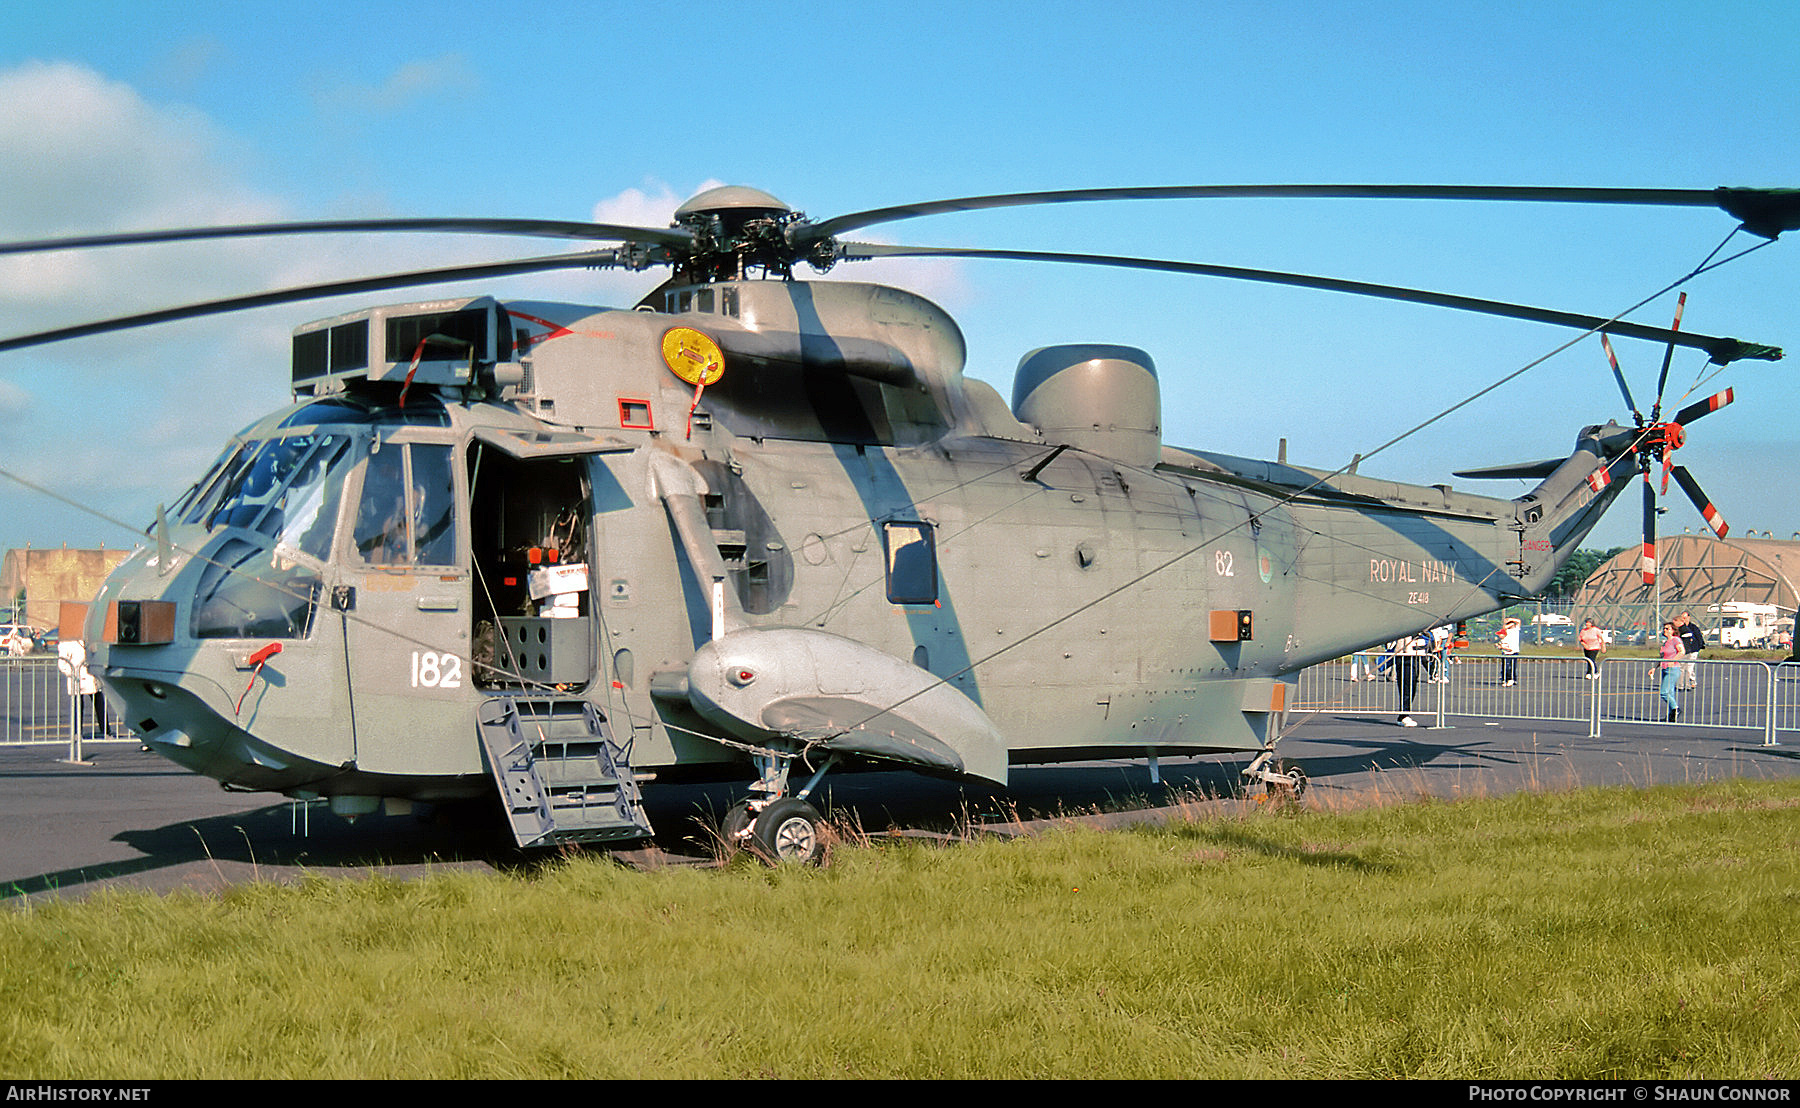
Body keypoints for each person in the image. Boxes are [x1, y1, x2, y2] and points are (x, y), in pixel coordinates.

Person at [1392, 631, 1429, 728]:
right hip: (1403, 654)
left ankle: (1404, 713)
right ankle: (1404, 715)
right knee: (1406, 685)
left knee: (1412, 686)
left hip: (1415, 654)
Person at [1659, 621, 1683, 722]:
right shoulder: (1665, 642)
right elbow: (1662, 657)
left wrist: (1673, 661)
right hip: (1665, 668)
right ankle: (1671, 716)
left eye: (1667, 629)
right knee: (1670, 693)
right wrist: (1654, 668)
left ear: (1673, 630)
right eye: (1664, 628)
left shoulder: (1675, 640)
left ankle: (1675, 709)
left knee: (1664, 692)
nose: (1665, 630)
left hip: (1673, 669)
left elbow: (1682, 651)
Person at [1674, 612, 1706, 690]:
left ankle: (1690, 682)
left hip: (1693, 650)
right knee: (1685, 668)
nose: (1684, 619)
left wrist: (1699, 646)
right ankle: (1686, 683)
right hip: (1686, 650)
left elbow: (1699, 638)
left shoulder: (1693, 627)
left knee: (1689, 667)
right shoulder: (1679, 629)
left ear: (1689, 617)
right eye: (1682, 618)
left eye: (1685, 617)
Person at [1499, 617, 1522, 686]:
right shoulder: (1506, 631)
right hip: (1506, 651)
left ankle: (1512, 679)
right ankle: (1505, 679)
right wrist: (1508, 623)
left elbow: (1518, 621)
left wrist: (1511, 620)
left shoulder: (1515, 630)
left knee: (1512, 666)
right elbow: (1504, 628)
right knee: (1505, 666)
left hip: (1514, 650)